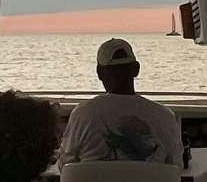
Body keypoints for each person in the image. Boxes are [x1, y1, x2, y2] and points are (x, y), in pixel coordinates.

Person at [58, 38, 184, 166]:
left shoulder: (82, 114)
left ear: (99, 73)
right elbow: (175, 166)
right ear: (136, 69)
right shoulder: (164, 116)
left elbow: (66, 165)